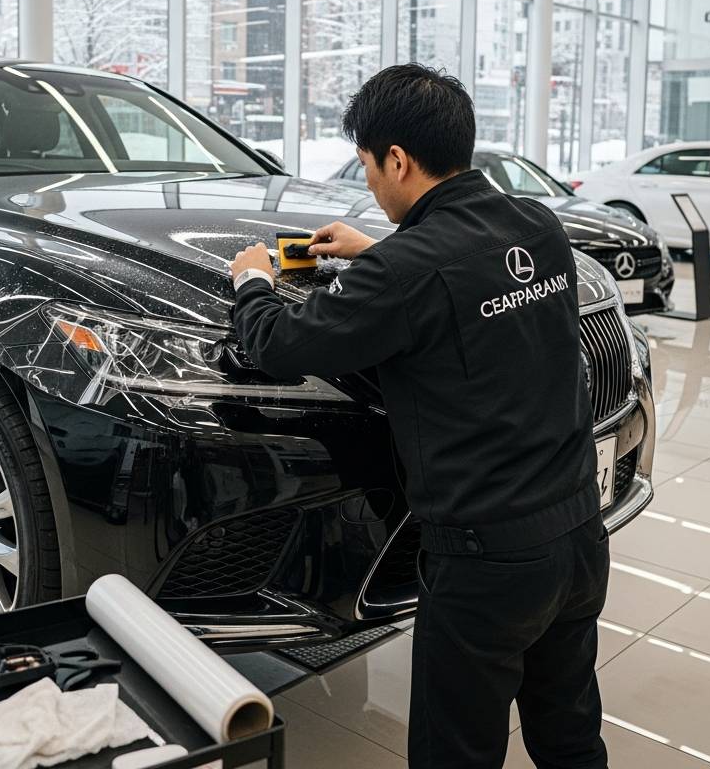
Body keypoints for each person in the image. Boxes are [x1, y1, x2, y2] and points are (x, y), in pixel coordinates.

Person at [229, 64, 609, 769]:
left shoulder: (408, 267)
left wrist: (252, 279)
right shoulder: (537, 222)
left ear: (397, 159)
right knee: (569, 733)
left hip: (486, 560)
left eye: (370, 166)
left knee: (453, 752)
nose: (371, 183)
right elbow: (467, 288)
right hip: (580, 531)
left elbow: (281, 344)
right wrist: (377, 255)